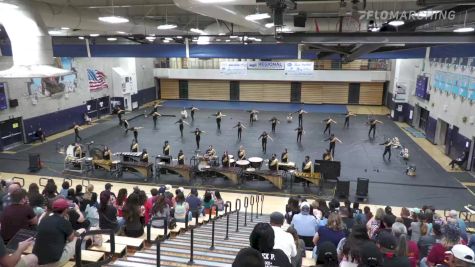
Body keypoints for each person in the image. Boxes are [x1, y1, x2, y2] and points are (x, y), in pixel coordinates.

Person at [33, 198, 83, 266]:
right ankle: (79, 263)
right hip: (53, 262)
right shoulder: (64, 222)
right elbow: (71, 239)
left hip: (36, 259)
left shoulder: (44, 219)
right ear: (65, 210)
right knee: (76, 240)